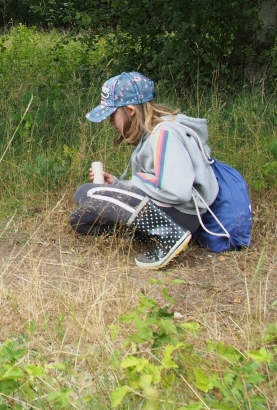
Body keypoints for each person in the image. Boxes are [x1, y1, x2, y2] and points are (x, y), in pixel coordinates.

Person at [71, 72, 219, 269]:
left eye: (112, 115)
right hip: (166, 209)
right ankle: (142, 231)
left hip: (181, 215)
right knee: (80, 220)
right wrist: (117, 185)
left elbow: (176, 190)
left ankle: (170, 236)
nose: (110, 122)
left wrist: (129, 186)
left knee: (87, 191)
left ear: (130, 110)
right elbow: (155, 183)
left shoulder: (165, 133)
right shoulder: (151, 135)